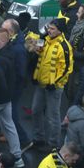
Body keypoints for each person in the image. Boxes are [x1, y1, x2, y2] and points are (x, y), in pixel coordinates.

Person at [31, 18, 74, 150]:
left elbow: (67, 68)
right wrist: (35, 76)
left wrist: (54, 83)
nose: (49, 30)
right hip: (41, 84)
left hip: (54, 88)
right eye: (48, 28)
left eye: (52, 29)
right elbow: (41, 59)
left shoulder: (64, 46)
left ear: (60, 31)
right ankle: (39, 138)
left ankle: (53, 143)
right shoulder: (46, 41)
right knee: (35, 110)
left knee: (53, 116)